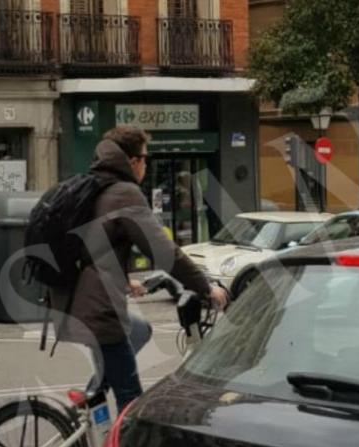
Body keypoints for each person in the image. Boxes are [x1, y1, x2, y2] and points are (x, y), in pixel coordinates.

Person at [49, 126, 230, 410]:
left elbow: (95, 247)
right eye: (145, 158)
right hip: (97, 312)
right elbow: (164, 251)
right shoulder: (124, 193)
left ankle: (91, 399)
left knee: (140, 329)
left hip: (70, 301)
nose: (147, 164)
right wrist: (206, 287)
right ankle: (116, 443)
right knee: (131, 400)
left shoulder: (95, 185)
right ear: (132, 161)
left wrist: (122, 281)